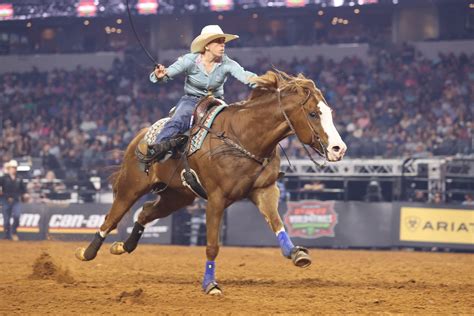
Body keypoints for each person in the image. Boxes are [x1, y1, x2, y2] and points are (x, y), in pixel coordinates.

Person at [142, 25, 257, 162]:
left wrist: (264, 82)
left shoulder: (228, 63)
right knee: (178, 120)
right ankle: (157, 148)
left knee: (233, 124)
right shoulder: (189, 60)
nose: (223, 45)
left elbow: (245, 76)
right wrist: (159, 76)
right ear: (207, 45)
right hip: (191, 101)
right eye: (218, 42)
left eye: (223, 42)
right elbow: (167, 74)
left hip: (217, 102)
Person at [0, 160, 29, 241]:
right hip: (5, 200)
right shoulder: (3, 178)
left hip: (16, 200)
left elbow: (24, 189)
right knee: (6, 220)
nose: (14, 169)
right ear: (9, 168)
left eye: (15, 168)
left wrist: (25, 194)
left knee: (17, 215)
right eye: (13, 167)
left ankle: (13, 232)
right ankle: (7, 235)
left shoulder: (19, 178)